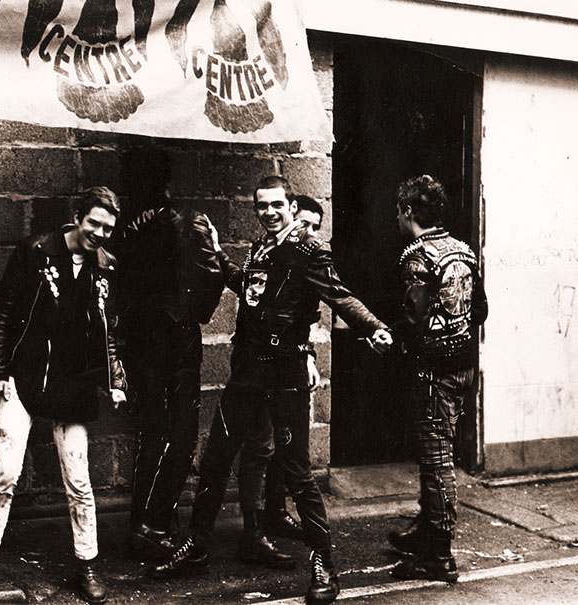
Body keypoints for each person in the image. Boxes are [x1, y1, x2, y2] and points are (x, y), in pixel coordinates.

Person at [151, 176, 392, 604]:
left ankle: (324, 565)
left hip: (284, 378)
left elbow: (339, 295)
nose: (269, 212)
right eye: (261, 206)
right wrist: (219, 253)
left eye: (276, 205)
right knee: (215, 459)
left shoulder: (309, 249)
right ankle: (198, 546)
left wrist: (373, 326)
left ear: (289, 206)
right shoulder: (261, 247)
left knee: (297, 472)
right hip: (248, 373)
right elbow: (249, 288)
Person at [0, 187, 127, 605]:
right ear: (77, 217)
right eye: (93, 223)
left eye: (108, 227)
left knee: (79, 479)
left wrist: (115, 379)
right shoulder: (35, 251)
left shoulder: (105, 267)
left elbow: (108, 332)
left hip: (74, 385)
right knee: (6, 472)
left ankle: (87, 563)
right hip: (26, 378)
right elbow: (2, 309)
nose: (99, 233)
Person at [112, 147, 224, 560]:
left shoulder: (124, 228)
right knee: (178, 435)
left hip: (144, 341)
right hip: (174, 339)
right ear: (166, 182)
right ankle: (153, 524)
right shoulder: (185, 222)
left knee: (153, 433)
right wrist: (194, 313)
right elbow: (212, 277)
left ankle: (149, 522)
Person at [387, 175, 488, 583]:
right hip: (463, 365)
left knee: (436, 462)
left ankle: (440, 553)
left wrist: (388, 338)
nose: (397, 218)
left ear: (409, 212)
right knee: (438, 454)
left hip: (432, 372)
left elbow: (412, 319)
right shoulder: (462, 250)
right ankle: (428, 532)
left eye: (398, 211)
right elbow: (479, 310)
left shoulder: (416, 255)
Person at [242, 193, 325, 541]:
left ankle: (275, 512)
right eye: (303, 224)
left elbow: (302, 317)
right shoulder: (267, 254)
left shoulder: (308, 259)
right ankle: (253, 529)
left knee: (287, 447)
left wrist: (307, 355)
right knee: (259, 445)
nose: (306, 233)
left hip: (287, 362)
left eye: (313, 228)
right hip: (258, 363)